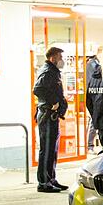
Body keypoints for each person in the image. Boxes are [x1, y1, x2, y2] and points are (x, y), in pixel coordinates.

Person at [33, 47, 68, 193]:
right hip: (47, 115)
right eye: (60, 56)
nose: (62, 60)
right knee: (46, 150)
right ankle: (43, 182)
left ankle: (51, 178)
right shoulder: (47, 71)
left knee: (52, 149)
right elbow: (38, 89)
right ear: (52, 57)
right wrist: (53, 101)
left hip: (52, 116)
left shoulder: (53, 71)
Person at [85, 46, 103, 152]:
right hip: (95, 97)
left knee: (94, 121)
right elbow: (91, 80)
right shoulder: (92, 65)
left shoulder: (96, 64)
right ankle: (89, 145)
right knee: (93, 121)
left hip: (97, 96)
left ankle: (90, 145)